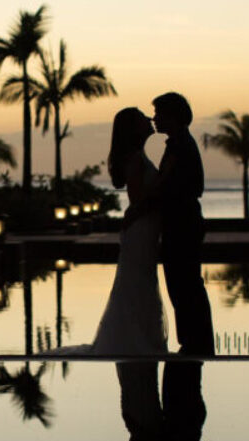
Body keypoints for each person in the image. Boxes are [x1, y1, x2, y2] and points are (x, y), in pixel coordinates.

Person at [57, 107, 168, 355]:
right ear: (133, 128)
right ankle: (136, 339)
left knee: (141, 281)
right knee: (138, 283)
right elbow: (138, 200)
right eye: (142, 118)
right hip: (141, 229)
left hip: (144, 228)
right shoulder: (136, 159)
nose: (150, 119)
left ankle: (141, 336)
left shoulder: (138, 156)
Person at [125, 92, 215, 355]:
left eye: (158, 113)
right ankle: (194, 340)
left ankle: (195, 341)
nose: (154, 118)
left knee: (184, 283)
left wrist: (137, 211)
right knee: (185, 283)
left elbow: (165, 187)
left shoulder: (179, 145)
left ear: (171, 115)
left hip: (182, 224)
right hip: (182, 222)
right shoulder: (179, 143)